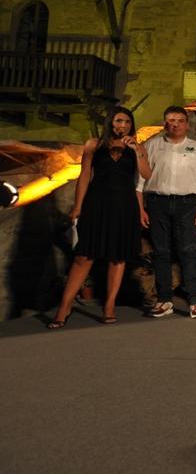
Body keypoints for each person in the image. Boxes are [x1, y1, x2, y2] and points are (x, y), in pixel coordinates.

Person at [49, 107, 153, 328]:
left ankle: (109, 305)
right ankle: (64, 307)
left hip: (124, 206)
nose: (123, 125)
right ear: (110, 122)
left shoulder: (137, 147)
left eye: (127, 122)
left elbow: (147, 174)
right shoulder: (93, 144)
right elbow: (85, 175)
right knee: (84, 256)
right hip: (97, 204)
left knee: (118, 257)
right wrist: (78, 207)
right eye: (119, 121)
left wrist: (137, 150)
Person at [137, 106, 196, 320]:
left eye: (180, 120)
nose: (175, 125)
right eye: (171, 120)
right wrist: (141, 209)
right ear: (165, 123)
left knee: (188, 251)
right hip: (157, 203)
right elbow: (140, 181)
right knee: (161, 252)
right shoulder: (152, 145)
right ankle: (164, 300)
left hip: (186, 204)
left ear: (187, 124)